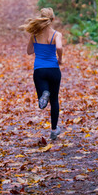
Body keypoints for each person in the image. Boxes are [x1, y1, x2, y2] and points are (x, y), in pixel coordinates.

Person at [20, 8, 63, 140]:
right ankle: (54, 130)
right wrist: (60, 59)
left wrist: (37, 45)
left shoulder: (34, 35)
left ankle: (44, 94)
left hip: (39, 70)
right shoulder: (56, 35)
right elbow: (59, 47)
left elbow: (29, 51)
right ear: (53, 19)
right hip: (54, 70)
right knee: (54, 100)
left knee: (43, 98)